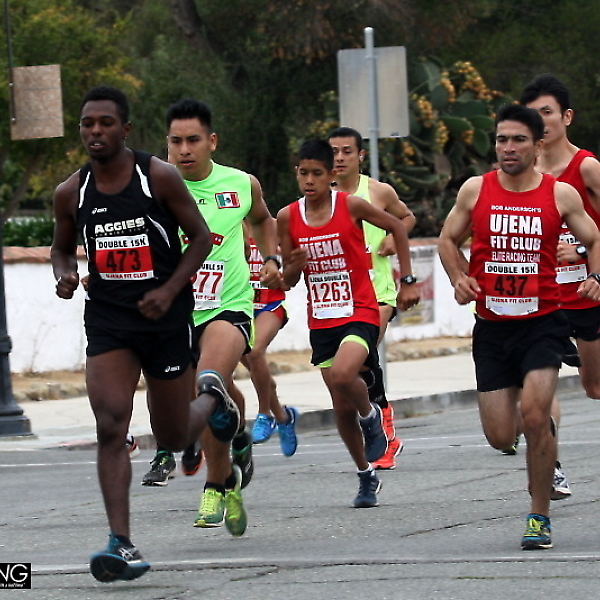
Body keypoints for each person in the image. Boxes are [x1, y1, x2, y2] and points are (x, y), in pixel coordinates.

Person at [51, 86, 239, 582]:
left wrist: (170, 290)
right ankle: (122, 543)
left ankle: (213, 401)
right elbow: (61, 247)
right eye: (87, 123)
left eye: (105, 123)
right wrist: (64, 274)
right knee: (111, 425)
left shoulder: (157, 176)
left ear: (125, 129)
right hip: (109, 320)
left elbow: (200, 239)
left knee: (174, 435)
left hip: (165, 319)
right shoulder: (71, 192)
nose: (95, 131)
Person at [437, 103, 600, 550]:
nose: (508, 148)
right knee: (501, 435)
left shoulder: (559, 195)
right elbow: (448, 239)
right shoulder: (476, 190)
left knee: (533, 415)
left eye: (518, 140)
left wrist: (595, 274)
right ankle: (541, 429)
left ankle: (539, 515)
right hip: (492, 328)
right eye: (502, 140)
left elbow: (594, 238)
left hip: (543, 324)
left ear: (537, 145)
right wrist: (459, 277)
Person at [159, 98, 280, 535]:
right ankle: (237, 445)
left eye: (193, 140)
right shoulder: (154, 187)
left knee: (207, 385)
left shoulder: (241, 183)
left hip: (229, 306)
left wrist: (271, 257)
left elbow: (263, 220)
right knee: (213, 394)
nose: (184, 149)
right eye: (176, 141)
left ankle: (216, 484)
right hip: (177, 314)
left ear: (211, 141)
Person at [277, 139, 420, 508]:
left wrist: (407, 280)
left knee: (344, 375)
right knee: (340, 408)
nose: (310, 181)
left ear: (331, 175)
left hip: (360, 310)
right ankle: (365, 474)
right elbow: (289, 280)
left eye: (317, 173)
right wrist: (292, 267)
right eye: (303, 173)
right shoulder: (287, 217)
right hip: (322, 318)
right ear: (296, 174)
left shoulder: (351, 205)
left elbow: (399, 226)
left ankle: (371, 417)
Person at [520, 74, 600, 499]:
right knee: (538, 383)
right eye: (533, 114)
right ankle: (549, 464)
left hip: (587, 294)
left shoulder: (585, 167)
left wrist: (585, 256)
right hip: (541, 299)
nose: (541, 121)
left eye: (547, 112)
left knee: (594, 387)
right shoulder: (521, 175)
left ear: (566, 117)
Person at [328, 127, 416, 470]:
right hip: (340, 297)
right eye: (334, 152)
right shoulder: (321, 195)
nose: (339, 158)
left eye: (346, 151)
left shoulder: (378, 191)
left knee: (364, 355)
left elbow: (406, 217)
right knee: (356, 368)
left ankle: (386, 430)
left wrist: (395, 238)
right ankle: (379, 424)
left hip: (378, 292)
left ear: (360, 155)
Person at [244, 227, 299, 456]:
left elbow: (293, 268)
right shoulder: (227, 223)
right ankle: (284, 418)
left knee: (255, 352)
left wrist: (284, 277)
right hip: (239, 306)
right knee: (257, 369)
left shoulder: (274, 227)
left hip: (270, 304)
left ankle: (264, 414)